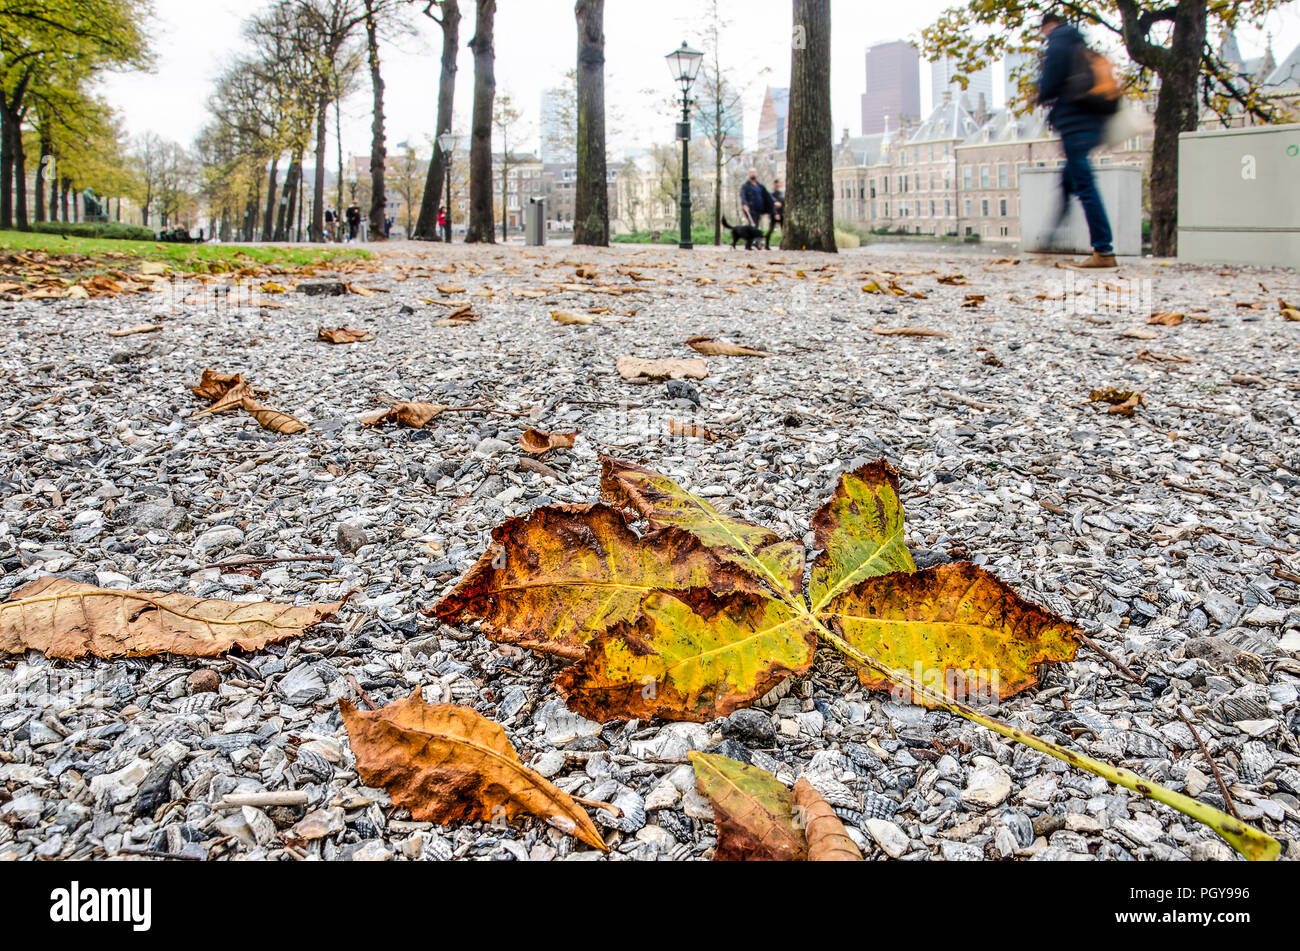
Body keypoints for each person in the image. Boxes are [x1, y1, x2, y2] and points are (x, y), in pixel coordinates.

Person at [1037, 11, 1117, 269]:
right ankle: (1050, 238)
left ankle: (1103, 250)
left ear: (1047, 26)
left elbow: (1049, 83)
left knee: (1084, 184)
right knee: (1068, 180)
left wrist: (1041, 94)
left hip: (1075, 123)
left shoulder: (1058, 41)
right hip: (1094, 122)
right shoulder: (1080, 44)